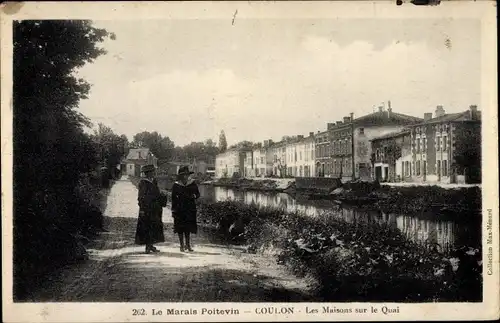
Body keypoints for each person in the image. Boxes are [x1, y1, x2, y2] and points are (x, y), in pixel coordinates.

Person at [135, 164, 167, 253]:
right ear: (148, 173)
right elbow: (141, 196)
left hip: (155, 208)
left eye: (154, 171)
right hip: (147, 208)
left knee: (154, 226)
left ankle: (151, 245)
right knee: (147, 226)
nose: (154, 173)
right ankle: (147, 246)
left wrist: (162, 196)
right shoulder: (143, 182)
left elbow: (156, 194)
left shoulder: (154, 181)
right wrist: (142, 208)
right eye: (152, 172)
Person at [171, 166, 200, 252]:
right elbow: (173, 198)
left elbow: (198, 194)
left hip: (189, 208)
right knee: (180, 227)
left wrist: (194, 196)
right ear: (180, 176)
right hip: (179, 208)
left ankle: (188, 245)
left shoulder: (192, 183)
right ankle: (181, 245)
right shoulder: (176, 185)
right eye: (184, 175)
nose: (186, 176)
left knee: (188, 227)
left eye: (187, 174)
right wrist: (173, 209)